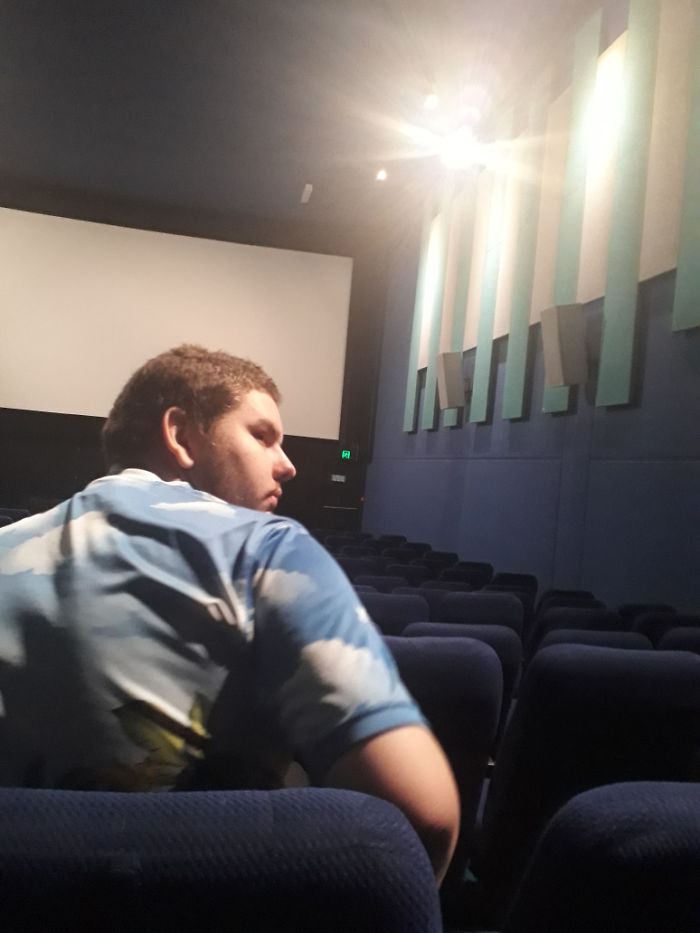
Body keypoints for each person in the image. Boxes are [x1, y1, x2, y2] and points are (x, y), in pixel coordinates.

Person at [0, 344, 459, 884]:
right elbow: (421, 819)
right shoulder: (267, 551)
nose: (286, 464)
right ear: (181, 435)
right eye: (262, 435)